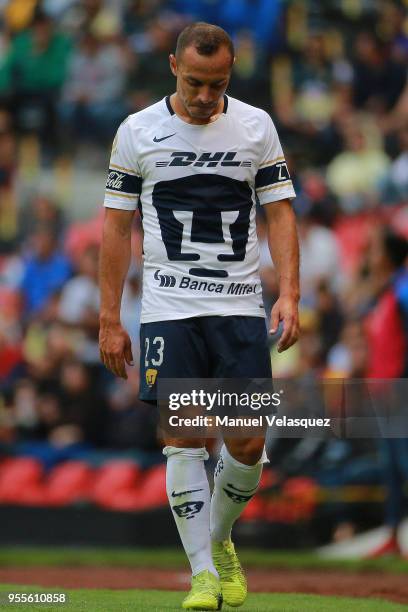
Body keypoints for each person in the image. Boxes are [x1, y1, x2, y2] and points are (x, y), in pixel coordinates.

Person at [99, 22, 299, 610]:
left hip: (240, 309)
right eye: (194, 83)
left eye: (218, 85)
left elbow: (281, 214)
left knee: (245, 441)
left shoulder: (257, 126)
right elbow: (116, 226)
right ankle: (203, 576)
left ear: (231, 72)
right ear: (172, 67)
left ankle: (217, 540)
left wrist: (290, 292)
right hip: (169, 309)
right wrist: (110, 318)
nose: (206, 97)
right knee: (184, 437)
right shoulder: (137, 131)